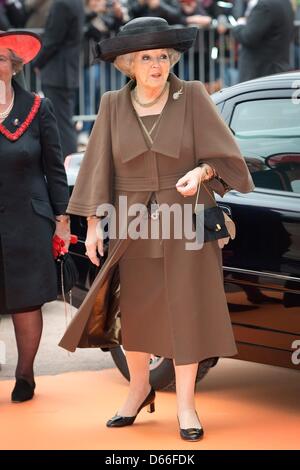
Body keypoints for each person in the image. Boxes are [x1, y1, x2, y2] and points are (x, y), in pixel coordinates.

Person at [59, 17, 255, 441]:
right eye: (146, 57)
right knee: (137, 314)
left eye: (163, 56)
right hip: (131, 223)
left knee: (186, 311)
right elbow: (97, 166)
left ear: (172, 59)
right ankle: (138, 388)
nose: (156, 64)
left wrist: (201, 172)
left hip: (186, 217)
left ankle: (186, 404)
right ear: (128, 63)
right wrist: (93, 224)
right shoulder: (112, 103)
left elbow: (227, 160)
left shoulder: (194, 98)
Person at [0, 30, 70, 402]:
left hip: (29, 219)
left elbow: (54, 168)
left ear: (14, 66)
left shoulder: (37, 108)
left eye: (0, 60)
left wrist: (62, 217)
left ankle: (25, 374)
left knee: (26, 300)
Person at [33, 0, 85, 159]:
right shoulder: (75, 3)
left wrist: (37, 62)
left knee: (61, 124)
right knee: (63, 122)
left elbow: (53, 39)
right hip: (65, 71)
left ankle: (69, 166)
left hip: (58, 72)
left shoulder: (63, 3)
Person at [232, 0, 295, 83]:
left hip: (260, 72)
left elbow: (248, 37)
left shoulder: (264, 5)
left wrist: (238, 26)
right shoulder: (286, 3)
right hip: (277, 69)